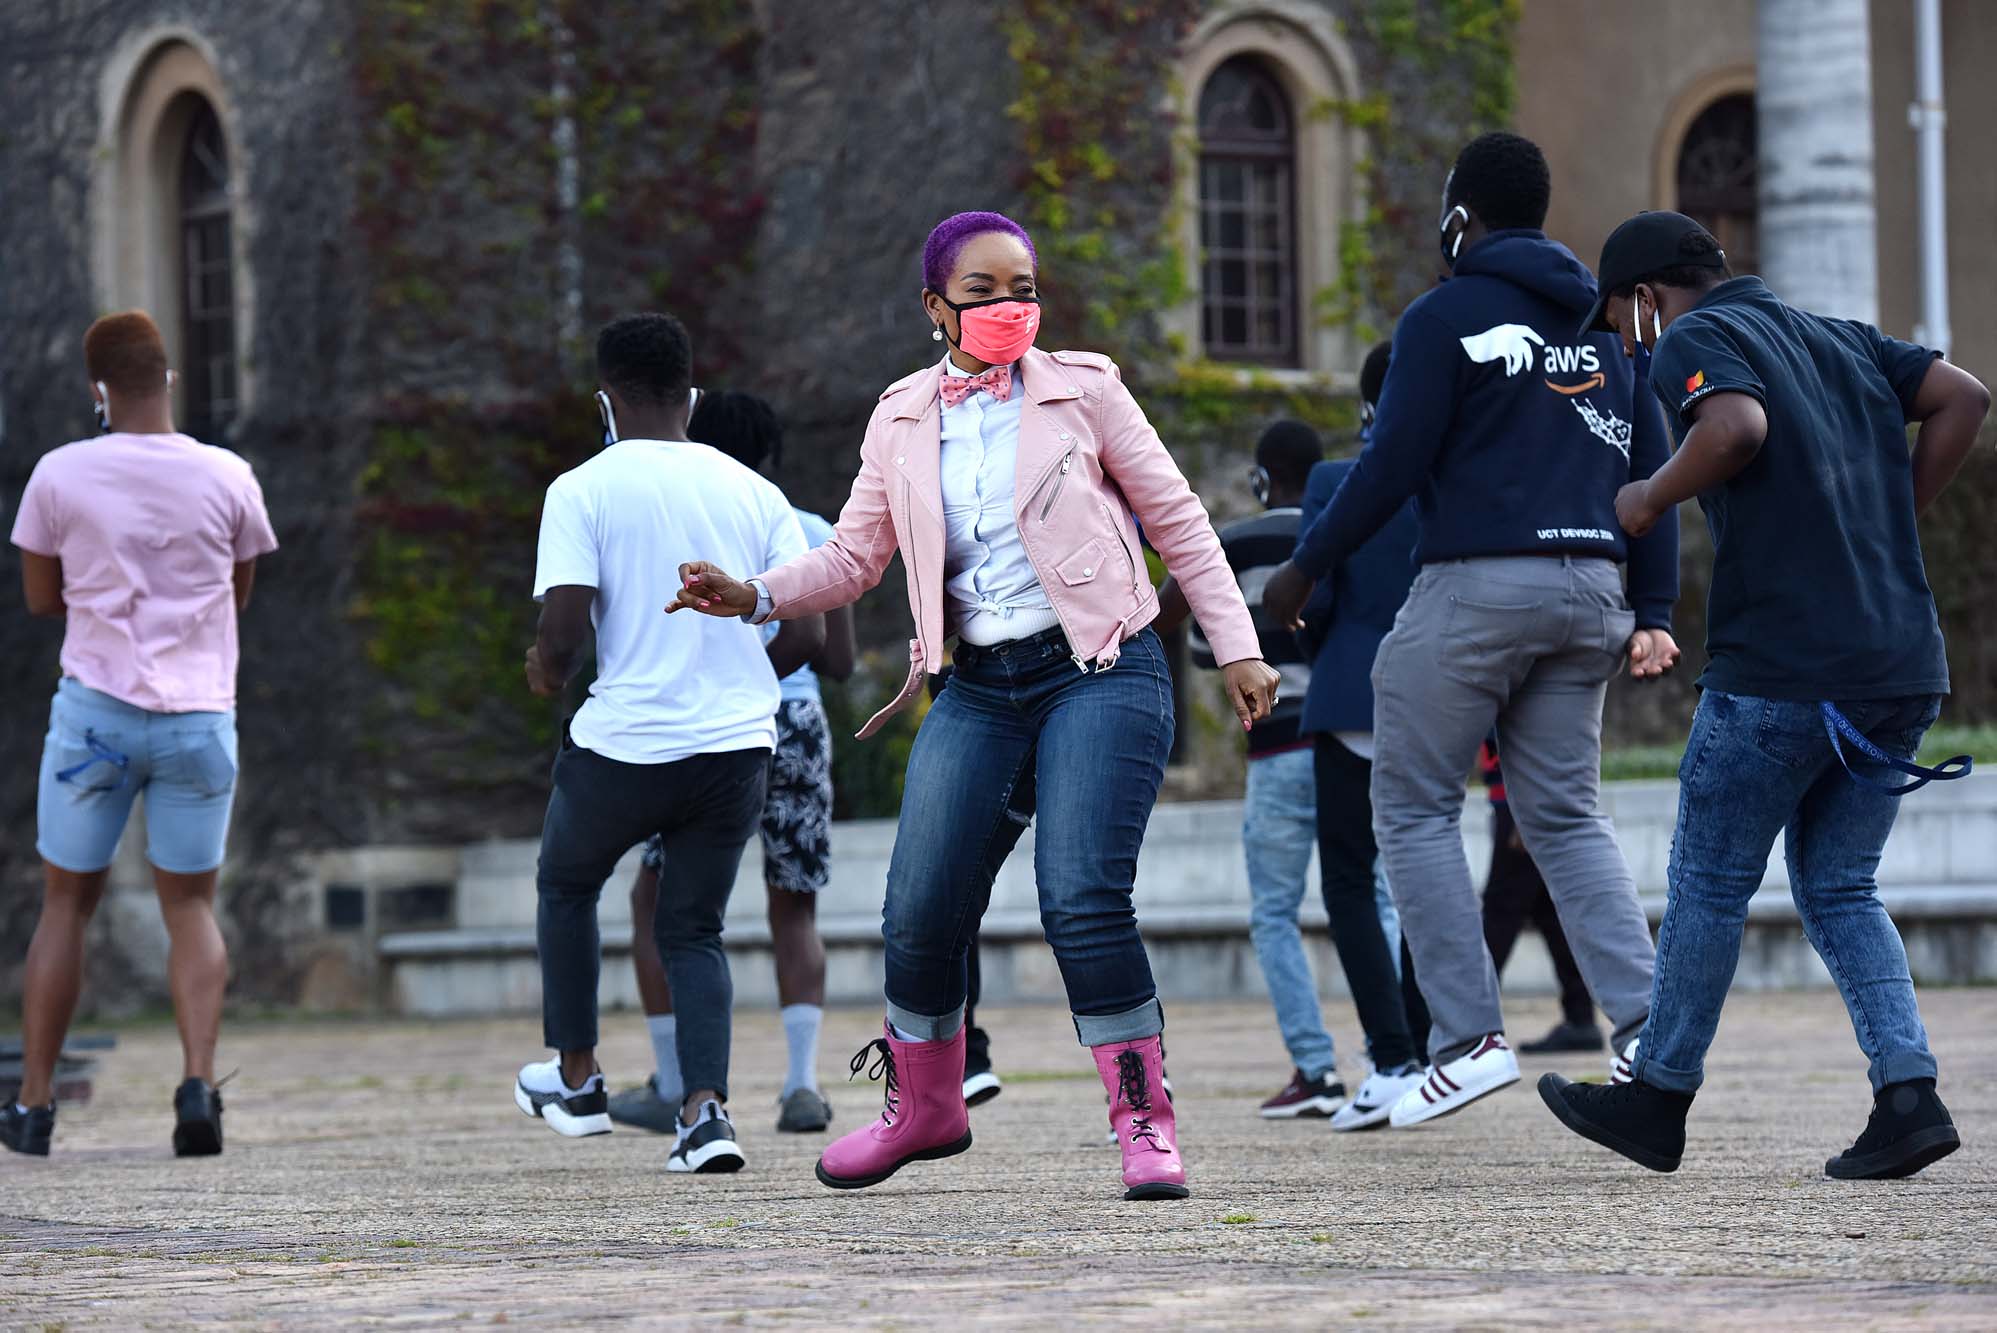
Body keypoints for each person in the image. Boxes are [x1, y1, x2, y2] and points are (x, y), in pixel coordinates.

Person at [670, 210, 1277, 1202]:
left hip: (1101, 669)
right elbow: (857, 556)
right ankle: (924, 1110)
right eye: (984, 291)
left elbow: (1181, 524)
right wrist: (756, 593)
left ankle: (1142, 1122)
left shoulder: (1087, 389)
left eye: (1023, 288)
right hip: (977, 686)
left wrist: (1239, 647)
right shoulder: (901, 416)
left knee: (1079, 895)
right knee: (916, 909)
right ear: (934, 307)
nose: (1009, 307)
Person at [1540, 211, 1990, 1178]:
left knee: (1707, 880)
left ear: (1649, 298)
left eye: (1622, 320)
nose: (1623, 343)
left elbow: (1735, 427)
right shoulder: (1842, 338)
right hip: (1899, 664)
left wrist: (1649, 495)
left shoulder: (1696, 338)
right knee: (1837, 884)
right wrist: (1886, 517)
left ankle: (1657, 1097)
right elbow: (1964, 397)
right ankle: (1907, 1095)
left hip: (1782, 666)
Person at [1263, 132, 1681, 1129]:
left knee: (1406, 805)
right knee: (1565, 814)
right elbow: (1652, 475)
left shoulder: (1442, 315)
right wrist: (1653, 610)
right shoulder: (1608, 324)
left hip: (1476, 589)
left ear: (1463, 216)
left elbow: (1391, 461)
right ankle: (1643, 1027)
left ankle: (1463, 1039)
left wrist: (1306, 564)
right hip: (1591, 591)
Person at [517, 314, 822, 1175]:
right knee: (695, 928)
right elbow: (805, 619)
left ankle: (576, 1077)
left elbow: (566, 626)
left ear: (604, 400)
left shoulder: (581, 487)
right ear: (690, 394)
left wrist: (544, 667)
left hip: (625, 745)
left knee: (567, 882)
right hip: (735, 748)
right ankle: (706, 1112)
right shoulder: (755, 493)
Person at [3, 311, 277, 1158]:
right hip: (198, 714)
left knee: (65, 903)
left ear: (97, 389)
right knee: (190, 905)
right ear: (170, 379)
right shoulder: (228, 474)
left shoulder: (58, 474)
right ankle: (197, 1086)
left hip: (97, 717)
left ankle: (37, 1106)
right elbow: (239, 591)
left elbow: (42, 599)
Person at [606, 391, 857, 1138]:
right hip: (801, 722)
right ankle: (802, 1082)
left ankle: (674, 1080)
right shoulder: (809, 528)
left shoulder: (679, 534)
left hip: (706, 726)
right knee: (794, 902)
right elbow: (835, 658)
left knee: (656, 902)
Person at [1288, 358, 1437, 1132]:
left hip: (1351, 687)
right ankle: (1430, 1046)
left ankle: (1390, 1057)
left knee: (1349, 879)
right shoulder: (1451, 471)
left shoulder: (1331, 479)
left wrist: (1333, 665)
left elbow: (1312, 597)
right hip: (1439, 691)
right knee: (1424, 871)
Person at [1477, 737, 1601, 1052]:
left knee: (1499, 913)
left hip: (1520, 801)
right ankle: (1581, 1019)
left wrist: (1523, 812)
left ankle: (1470, 1026)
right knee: (1548, 913)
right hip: (1522, 797)